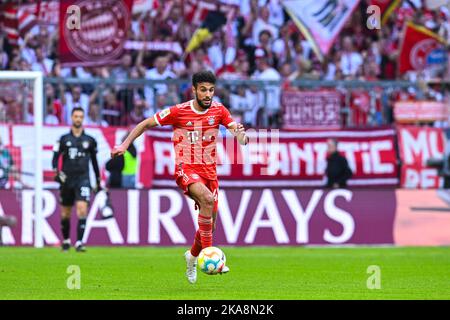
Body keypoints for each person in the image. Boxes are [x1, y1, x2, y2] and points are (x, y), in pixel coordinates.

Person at [111, 71, 249, 284]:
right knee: (206, 199)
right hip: (186, 168)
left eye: (211, 90)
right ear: (194, 90)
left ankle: (192, 256)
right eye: (203, 89)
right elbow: (146, 124)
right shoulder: (179, 112)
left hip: (210, 173)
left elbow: (241, 138)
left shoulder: (219, 110)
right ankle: (210, 254)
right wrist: (124, 144)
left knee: (209, 225)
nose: (207, 94)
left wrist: (241, 135)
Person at [52, 107, 101, 252]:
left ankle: (79, 242)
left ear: (83, 118)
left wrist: (97, 180)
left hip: (83, 179)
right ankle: (66, 241)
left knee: (82, 209)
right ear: (72, 118)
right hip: (67, 180)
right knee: (65, 213)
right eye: (76, 116)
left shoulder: (90, 140)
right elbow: (55, 159)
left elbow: (94, 161)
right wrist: (57, 171)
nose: (78, 119)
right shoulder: (63, 139)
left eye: (80, 116)